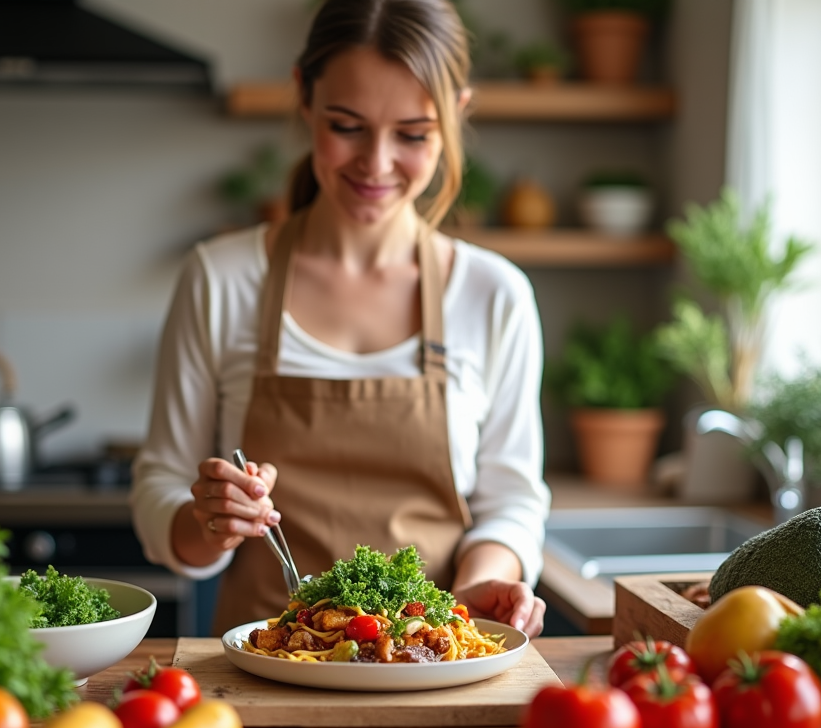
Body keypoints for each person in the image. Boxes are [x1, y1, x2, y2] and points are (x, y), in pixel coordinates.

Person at [131, 0, 552, 638]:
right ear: (304, 97)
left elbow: (511, 500)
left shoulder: (495, 295)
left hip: (433, 663)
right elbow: (159, 485)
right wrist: (209, 523)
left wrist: (483, 580)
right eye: (347, 126)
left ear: (456, 116)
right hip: (262, 676)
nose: (376, 163)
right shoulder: (221, 279)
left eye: (412, 133)